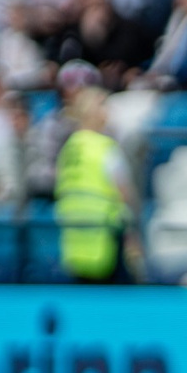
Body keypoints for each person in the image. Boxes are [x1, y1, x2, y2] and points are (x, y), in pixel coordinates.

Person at [55, 86, 137, 282]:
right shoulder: (104, 148)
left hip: (75, 236)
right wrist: (133, 234)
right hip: (106, 235)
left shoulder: (69, 147)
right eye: (103, 106)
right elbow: (124, 193)